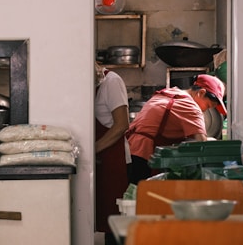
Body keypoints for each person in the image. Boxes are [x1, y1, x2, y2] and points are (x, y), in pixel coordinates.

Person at [125, 74, 227, 184]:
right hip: (145, 154)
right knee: (145, 195)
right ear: (201, 93)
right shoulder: (190, 106)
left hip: (131, 148)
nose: (204, 111)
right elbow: (201, 144)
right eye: (208, 106)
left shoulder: (171, 93)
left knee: (136, 194)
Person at [94, 61, 130, 245]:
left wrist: (94, 150)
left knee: (114, 220)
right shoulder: (92, 85)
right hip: (100, 159)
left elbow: (122, 124)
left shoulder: (112, 82)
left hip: (113, 159)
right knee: (102, 217)